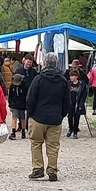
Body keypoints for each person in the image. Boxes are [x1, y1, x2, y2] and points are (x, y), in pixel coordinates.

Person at [26, 52, 70, 182]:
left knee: (36, 143)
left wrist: (31, 113)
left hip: (38, 117)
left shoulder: (38, 79)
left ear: (44, 63)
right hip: (55, 118)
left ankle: (38, 169)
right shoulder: (62, 80)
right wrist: (62, 114)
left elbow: (30, 98)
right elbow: (67, 100)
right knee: (53, 146)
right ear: (56, 63)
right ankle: (52, 171)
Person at [14, 57, 39, 135]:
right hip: (21, 93)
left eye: (30, 62)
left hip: (30, 93)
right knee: (20, 111)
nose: (29, 64)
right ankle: (20, 125)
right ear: (24, 61)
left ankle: (28, 125)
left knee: (29, 110)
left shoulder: (33, 71)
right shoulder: (18, 70)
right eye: (28, 62)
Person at [66, 70, 89, 139]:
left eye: (72, 76)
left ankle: (75, 132)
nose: (71, 78)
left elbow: (83, 95)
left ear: (76, 77)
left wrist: (81, 105)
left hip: (78, 103)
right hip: (70, 103)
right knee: (69, 117)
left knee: (76, 117)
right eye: (70, 76)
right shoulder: (68, 84)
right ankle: (70, 128)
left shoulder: (81, 85)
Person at [8, 73, 28, 140]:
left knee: (16, 118)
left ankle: (16, 132)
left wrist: (10, 104)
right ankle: (22, 132)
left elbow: (10, 96)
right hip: (19, 105)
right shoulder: (24, 86)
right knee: (21, 118)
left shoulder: (13, 86)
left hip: (17, 105)